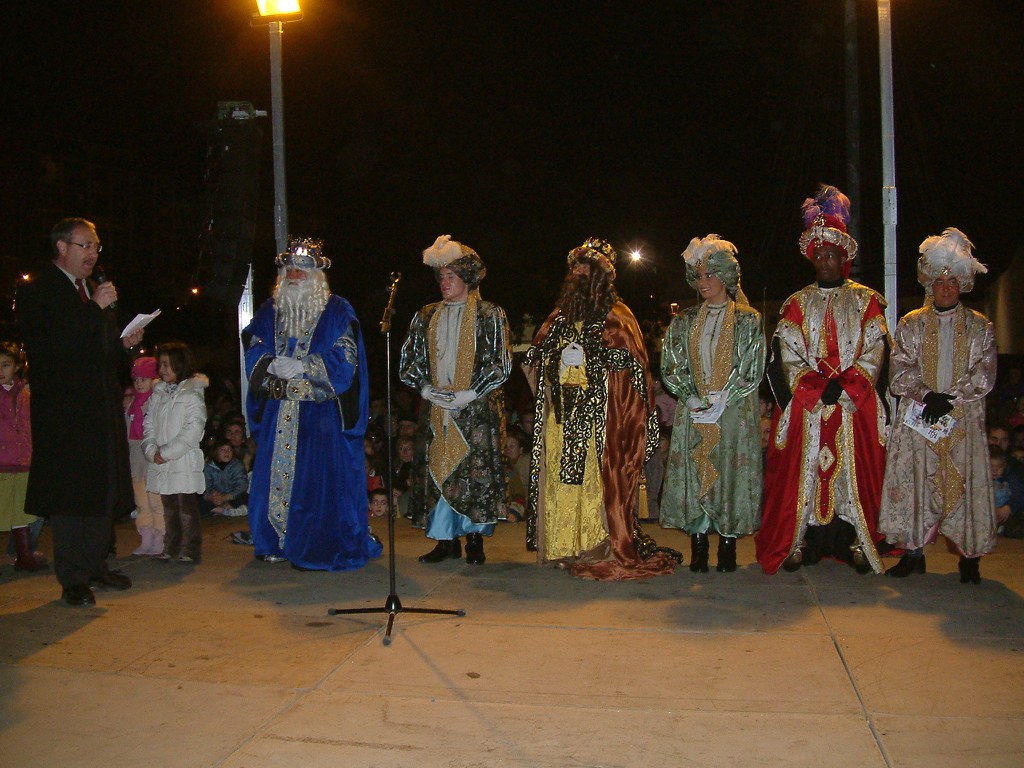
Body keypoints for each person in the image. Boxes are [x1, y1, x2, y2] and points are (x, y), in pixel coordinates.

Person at [525, 237, 680, 580]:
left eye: (588, 268)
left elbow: (634, 371)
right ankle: (562, 547)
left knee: (595, 482)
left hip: (601, 419)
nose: (580, 273)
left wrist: (593, 358)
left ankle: (597, 546)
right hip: (561, 418)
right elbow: (534, 359)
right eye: (576, 268)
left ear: (602, 277)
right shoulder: (557, 318)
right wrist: (557, 360)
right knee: (562, 481)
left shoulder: (619, 317)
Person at [756, 186, 888, 575]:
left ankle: (857, 541)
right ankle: (801, 540)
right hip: (809, 405)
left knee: (854, 472)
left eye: (832, 255)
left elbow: (876, 350)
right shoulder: (797, 303)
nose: (825, 262)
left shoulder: (866, 301)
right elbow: (786, 353)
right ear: (812, 259)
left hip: (853, 404)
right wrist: (816, 387)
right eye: (820, 256)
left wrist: (845, 386)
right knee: (804, 472)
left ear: (843, 257)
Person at [17, 218, 141, 605]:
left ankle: (96, 565)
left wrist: (124, 346)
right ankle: (72, 577)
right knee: (72, 496)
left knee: (101, 490)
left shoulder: (89, 290)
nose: (93, 254)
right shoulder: (40, 291)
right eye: (85, 245)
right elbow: (53, 348)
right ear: (62, 247)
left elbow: (97, 352)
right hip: (65, 415)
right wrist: (95, 311)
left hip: (100, 409)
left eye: (96, 247)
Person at [243, 238, 382, 571]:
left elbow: (346, 359)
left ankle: (313, 546)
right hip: (279, 412)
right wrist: (268, 363)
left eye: (302, 269)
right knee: (272, 479)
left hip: (319, 416)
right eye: (289, 268)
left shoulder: (337, 311)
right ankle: (274, 541)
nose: (294, 274)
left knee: (316, 486)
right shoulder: (269, 310)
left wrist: (304, 366)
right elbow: (253, 342)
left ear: (317, 274)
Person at [879, 228, 997, 583]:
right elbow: (900, 369)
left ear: (962, 284)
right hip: (921, 416)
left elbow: (984, 372)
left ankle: (970, 559)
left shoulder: (980, 327)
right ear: (930, 284)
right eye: (939, 282)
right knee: (918, 483)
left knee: (964, 483)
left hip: (963, 417)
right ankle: (913, 553)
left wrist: (951, 398)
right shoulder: (911, 323)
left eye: (952, 282)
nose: (945, 288)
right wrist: (927, 395)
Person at [399, 235, 512, 565]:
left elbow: (500, 362)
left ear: (467, 279)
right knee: (437, 468)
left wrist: (471, 392)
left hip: (474, 408)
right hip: (437, 407)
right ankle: (445, 540)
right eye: (441, 277)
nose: (444, 283)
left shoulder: (488, 314)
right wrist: (425, 389)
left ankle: (474, 539)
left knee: (472, 472)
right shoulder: (426, 315)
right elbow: (410, 361)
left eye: (451, 276)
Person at [660, 235, 765, 573]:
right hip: (694, 409)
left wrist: (724, 398)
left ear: (726, 275)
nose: (703, 282)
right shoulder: (685, 320)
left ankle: (728, 545)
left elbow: (751, 366)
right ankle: (699, 543)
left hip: (733, 410)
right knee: (696, 471)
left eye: (710, 275)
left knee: (729, 472)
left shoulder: (748, 319)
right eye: (699, 276)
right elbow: (672, 363)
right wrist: (689, 395)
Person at [143, 343, 207, 563]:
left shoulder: (192, 394)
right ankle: (171, 545)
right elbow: (148, 425)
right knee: (168, 507)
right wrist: (151, 450)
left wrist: (167, 452)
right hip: (162, 462)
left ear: (179, 364)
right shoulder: (158, 394)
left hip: (182, 461)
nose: (162, 370)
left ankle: (190, 548)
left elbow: (193, 429)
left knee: (186, 508)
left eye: (166, 364)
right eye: (160, 365)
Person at [0, 341, 47, 572]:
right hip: (2, 463)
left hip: (23, 461)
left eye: (6, 365)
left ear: (17, 367)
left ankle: (24, 555)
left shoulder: (26, 395)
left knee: (22, 512)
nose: (1, 370)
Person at [125, 356, 164, 556]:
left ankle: (160, 536)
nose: (139, 384)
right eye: (136, 380)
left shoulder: (157, 401)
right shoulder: (130, 404)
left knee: (156, 499)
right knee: (141, 500)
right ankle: (146, 536)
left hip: (152, 455)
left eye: (144, 379)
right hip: (136, 458)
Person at [201, 439, 249, 517]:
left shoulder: (237, 465)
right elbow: (206, 485)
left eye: (230, 450)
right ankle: (220, 510)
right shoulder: (209, 467)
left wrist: (227, 497)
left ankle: (229, 510)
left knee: (245, 497)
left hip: (232, 496)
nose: (227, 452)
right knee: (200, 501)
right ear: (216, 451)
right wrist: (213, 496)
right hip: (217, 498)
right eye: (223, 450)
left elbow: (242, 485)